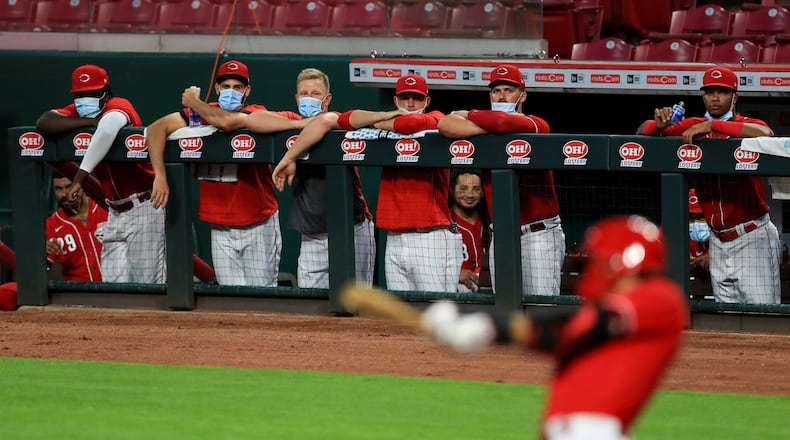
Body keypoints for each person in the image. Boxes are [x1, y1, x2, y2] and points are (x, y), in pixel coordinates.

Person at [420, 215, 688, 440]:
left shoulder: (660, 297)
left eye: (598, 262)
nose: (591, 271)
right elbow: (555, 336)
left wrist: (488, 328)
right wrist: (468, 317)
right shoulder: (623, 319)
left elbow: (573, 329)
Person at [273, 73, 460, 292]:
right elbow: (326, 120)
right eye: (405, 98)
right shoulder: (382, 122)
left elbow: (411, 123)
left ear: (427, 102)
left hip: (432, 235)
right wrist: (289, 157)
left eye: (417, 98)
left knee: (437, 311)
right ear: (395, 101)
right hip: (394, 234)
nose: (410, 103)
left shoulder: (437, 118)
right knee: (400, 313)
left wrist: (376, 121)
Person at [637, 65, 781, 304]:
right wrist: (659, 125)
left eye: (722, 92)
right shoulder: (691, 126)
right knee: (726, 320)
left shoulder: (746, 123)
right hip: (717, 241)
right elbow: (642, 133)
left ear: (735, 97)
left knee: (763, 316)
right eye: (709, 91)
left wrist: (714, 125)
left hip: (752, 236)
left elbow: (766, 134)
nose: (714, 97)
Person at [235, 68, 375, 289]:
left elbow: (326, 120)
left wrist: (289, 157)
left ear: (327, 99)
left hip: (352, 229)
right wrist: (298, 125)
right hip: (312, 235)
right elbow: (254, 120)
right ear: (297, 98)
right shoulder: (291, 122)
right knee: (312, 304)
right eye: (304, 93)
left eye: (316, 93)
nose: (309, 98)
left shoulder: (338, 122)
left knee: (358, 300)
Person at [147, 60, 281, 287]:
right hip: (220, 225)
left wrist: (195, 103)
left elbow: (227, 122)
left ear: (247, 90)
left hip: (258, 223)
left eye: (237, 87)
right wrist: (160, 175)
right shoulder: (199, 113)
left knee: (262, 296)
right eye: (226, 86)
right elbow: (156, 129)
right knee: (229, 298)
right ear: (217, 88)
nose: (231, 91)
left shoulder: (256, 112)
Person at [437, 64, 565, 297]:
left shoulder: (536, 124)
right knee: (504, 307)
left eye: (509, 90)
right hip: (501, 235)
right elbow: (444, 124)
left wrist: (468, 115)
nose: (502, 95)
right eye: (496, 91)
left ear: (522, 95)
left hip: (538, 235)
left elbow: (502, 123)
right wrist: (485, 125)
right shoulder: (484, 125)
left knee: (542, 308)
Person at [36, 64, 166, 284]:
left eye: (92, 93)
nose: (85, 99)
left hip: (144, 205)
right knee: (113, 284)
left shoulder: (119, 104)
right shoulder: (82, 111)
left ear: (106, 92)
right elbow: (45, 122)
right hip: (115, 210)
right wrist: (88, 121)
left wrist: (80, 177)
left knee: (148, 284)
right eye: (80, 94)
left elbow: (106, 129)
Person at [46, 172, 107, 282]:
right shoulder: (51, 224)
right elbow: (44, 268)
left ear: (81, 185)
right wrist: (43, 252)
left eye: (69, 186)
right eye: (58, 188)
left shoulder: (105, 209)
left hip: (115, 289)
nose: (64, 194)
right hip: (76, 294)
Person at [448, 168, 490, 293]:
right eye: (463, 189)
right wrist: (454, 274)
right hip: (459, 285)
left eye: (476, 189)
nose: (470, 195)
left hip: (490, 281)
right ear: (451, 190)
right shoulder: (444, 222)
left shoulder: (489, 220)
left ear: (482, 193)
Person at [688, 188, 709, 276]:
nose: (696, 223)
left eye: (701, 218)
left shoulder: (724, 231)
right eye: (691, 218)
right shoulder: (674, 228)